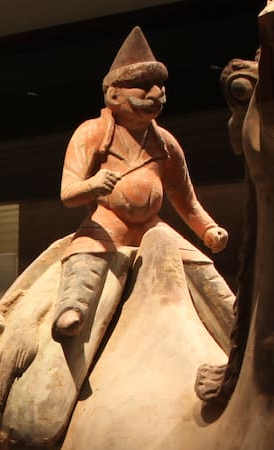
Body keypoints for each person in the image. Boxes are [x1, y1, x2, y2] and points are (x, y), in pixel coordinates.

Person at [47, 27, 227, 340]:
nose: (157, 94)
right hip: (108, 223)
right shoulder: (91, 133)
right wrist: (93, 185)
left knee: (200, 267)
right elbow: (68, 193)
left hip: (151, 226)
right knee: (86, 259)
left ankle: (232, 317)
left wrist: (208, 230)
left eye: (159, 86)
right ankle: (72, 309)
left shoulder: (165, 144)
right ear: (114, 94)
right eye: (143, 87)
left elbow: (186, 200)